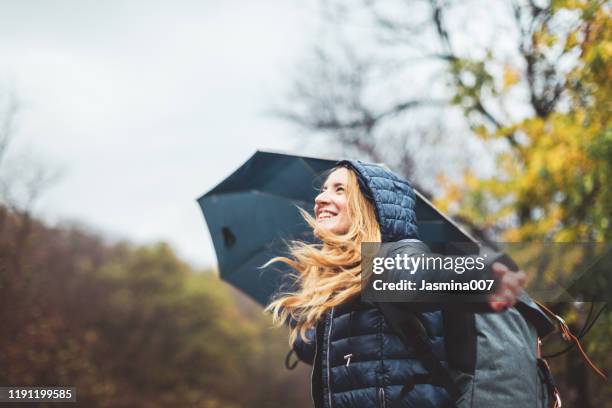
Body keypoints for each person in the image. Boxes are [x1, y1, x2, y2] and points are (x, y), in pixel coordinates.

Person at [265, 161, 527, 408]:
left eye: (340, 190)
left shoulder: (389, 258)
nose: (320, 199)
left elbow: (423, 275)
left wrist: (481, 277)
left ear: (370, 206)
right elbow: (337, 354)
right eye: (323, 190)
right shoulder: (339, 280)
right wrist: (306, 331)